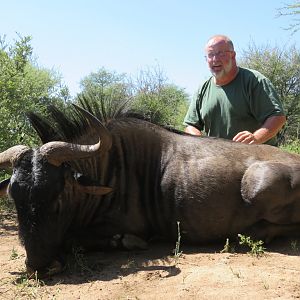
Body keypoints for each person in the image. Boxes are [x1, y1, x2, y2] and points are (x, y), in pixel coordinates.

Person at [184, 34, 286, 145]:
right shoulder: (202, 89)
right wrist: (202, 144)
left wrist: (256, 138)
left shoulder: (254, 81)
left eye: (220, 54)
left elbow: (277, 117)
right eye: (210, 55)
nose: (215, 59)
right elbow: (191, 125)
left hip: (257, 159)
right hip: (219, 158)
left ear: (233, 55)